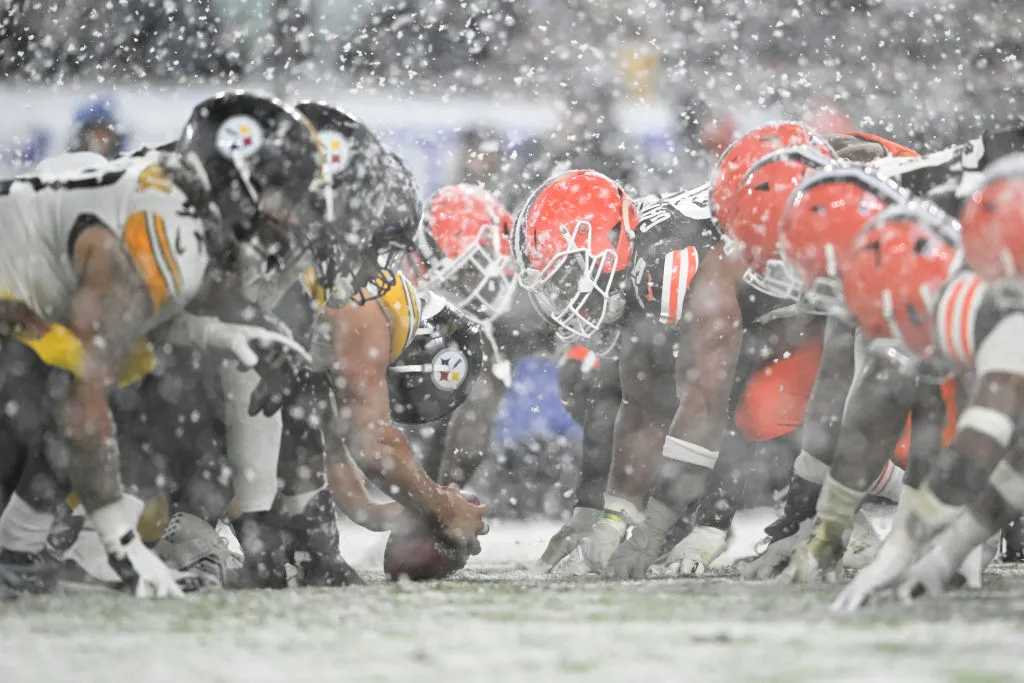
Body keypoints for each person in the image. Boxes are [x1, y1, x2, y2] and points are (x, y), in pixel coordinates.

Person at [0, 90, 327, 597]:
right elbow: (86, 390)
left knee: (140, 368)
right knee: (115, 383)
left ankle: (22, 547)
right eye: (280, 193)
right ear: (236, 178)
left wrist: (221, 333)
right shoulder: (162, 230)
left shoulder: (168, 203)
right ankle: (49, 546)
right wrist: (119, 543)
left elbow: (130, 323)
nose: (286, 216)